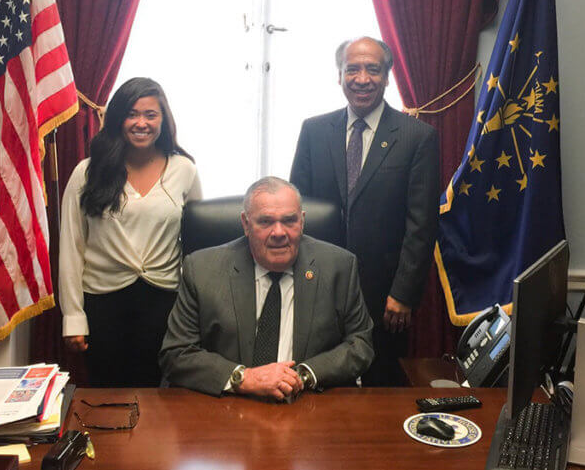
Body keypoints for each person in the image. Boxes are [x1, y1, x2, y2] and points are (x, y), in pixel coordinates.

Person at [290, 37, 439, 386]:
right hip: (319, 285)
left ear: (387, 77)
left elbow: (422, 224)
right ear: (339, 75)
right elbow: (298, 210)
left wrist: (404, 293)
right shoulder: (313, 131)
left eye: (373, 69)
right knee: (319, 381)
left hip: (386, 295)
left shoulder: (418, 137)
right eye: (352, 69)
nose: (361, 78)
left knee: (381, 384)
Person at [159, 177, 373, 400]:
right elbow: (176, 353)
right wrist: (245, 378)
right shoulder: (202, 270)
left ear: (302, 221)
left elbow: (360, 344)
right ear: (246, 224)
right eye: (266, 222)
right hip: (230, 406)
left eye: (289, 220)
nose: (279, 232)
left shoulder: (339, 266)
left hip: (308, 404)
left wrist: (303, 376)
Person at [59, 77, 201, 387]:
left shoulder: (184, 171)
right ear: (118, 119)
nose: (141, 123)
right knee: (107, 399)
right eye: (132, 114)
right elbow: (71, 246)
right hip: (102, 305)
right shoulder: (88, 171)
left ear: (163, 120)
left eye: (151, 115)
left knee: (157, 401)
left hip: (165, 305)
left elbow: (197, 248)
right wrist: (73, 317)